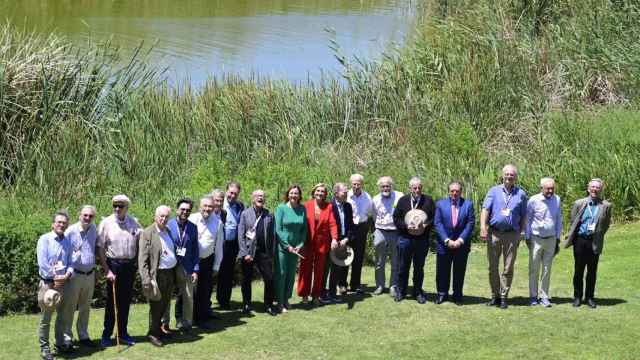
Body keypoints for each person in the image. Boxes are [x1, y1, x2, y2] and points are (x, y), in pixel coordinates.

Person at [480, 164, 528, 309]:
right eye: (507, 174)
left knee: (508, 267)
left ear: (516, 177)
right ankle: (494, 295)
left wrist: (521, 232)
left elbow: (524, 215)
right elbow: (485, 209)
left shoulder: (521, 194)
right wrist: (483, 227)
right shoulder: (493, 191)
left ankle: (503, 297)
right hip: (494, 233)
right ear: (502, 175)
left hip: (512, 235)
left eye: (512, 175)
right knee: (493, 266)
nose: (509, 177)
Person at [97, 194, 142, 346]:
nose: (117, 208)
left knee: (125, 301)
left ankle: (122, 333)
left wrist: (136, 263)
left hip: (129, 266)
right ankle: (106, 335)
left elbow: (141, 242)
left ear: (127, 207)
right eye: (115, 206)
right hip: (113, 265)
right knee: (112, 302)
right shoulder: (106, 223)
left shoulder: (134, 222)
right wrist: (107, 270)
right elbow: (100, 248)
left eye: (120, 206)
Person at [564, 178, 612, 308]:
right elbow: (574, 220)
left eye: (597, 187)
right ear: (588, 188)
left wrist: (598, 234)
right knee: (578, 270)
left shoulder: (606, 206)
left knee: (592, 271)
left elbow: (606, 224)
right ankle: (577, 297)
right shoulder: (579, 203)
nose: (595, 189)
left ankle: (590, 297)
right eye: (593, 187)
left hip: (594, 242)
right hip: (580, 241)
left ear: (600, 189)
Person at [58, 206, 98, 349]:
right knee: (69, 308)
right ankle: (67, 338)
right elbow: (62, 252)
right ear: (79, 215)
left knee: (85, 307)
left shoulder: (94, 229)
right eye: (85, 215)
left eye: (90, 216)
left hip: (90, 274)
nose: (87, 218)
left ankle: (83, 335)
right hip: (74, 275)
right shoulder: (70, 231)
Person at [36, 211, 74, 360]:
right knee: (46, 319)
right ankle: (45, 349)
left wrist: (67, 275)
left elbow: (71, 263)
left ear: (67, 225)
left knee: (62, 317)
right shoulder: (44, 239)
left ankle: (59, 344)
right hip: (48, 284)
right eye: (59, 222)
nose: (61, 225)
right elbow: (43, 264)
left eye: (64, 223)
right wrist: (55, 278)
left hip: (63, 284)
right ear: (53, 224)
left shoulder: (67, 242)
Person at [392, 177, 435, 304]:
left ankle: (418, 292)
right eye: (414, 188)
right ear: (410, 188)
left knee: (419, 267)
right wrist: (406, 226)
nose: (417, 190)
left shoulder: (428, 200)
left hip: (421, 240)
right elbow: (396, 218)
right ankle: (401, 291)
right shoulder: (403, 200)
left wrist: (426, 226)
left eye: (419, 188)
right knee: (402, 267)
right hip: (405, 238)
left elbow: (434, 218)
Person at [139, 206, 176, 347]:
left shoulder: (168, 231)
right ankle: (153, 334)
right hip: (157, 275)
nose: (164, 219)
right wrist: (146, 279)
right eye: (161, 216)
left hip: (169, 272)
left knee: (165, 304)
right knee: (156, 305)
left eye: (166, 217)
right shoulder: (147, 233)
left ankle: (158, 330)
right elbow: (142, 259)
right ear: (155, 216)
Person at [434, 182, 475, 305]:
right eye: (452, 191)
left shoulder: (468, 205)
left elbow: (470, 224)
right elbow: (438, 223)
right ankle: (442, 294)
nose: (454, 193)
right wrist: (447, 240)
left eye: (457, 191)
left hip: (461, 246)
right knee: (442, 271)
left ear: (461, 192)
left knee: (459, 271)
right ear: (449, 191)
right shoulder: (440, 204)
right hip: (444, 244)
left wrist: (460, 240)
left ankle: (457, 295)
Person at [237, 190, 277, 315]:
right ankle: (247, 304)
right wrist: (244, 253)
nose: (260, 198)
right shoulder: (245, 214)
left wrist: (272, 253)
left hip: (264, 253)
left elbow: (272, 235)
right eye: (258, 196)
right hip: (249, 252)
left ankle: (268, 305)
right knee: (246, 279)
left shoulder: (269, 214)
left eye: (262, 196)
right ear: (252, 199)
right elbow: (240, 235)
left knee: (269, 278)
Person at [297, 183, 338, 306]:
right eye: (318, 191)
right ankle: (304, 295)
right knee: (305, 270)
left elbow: (332, 224)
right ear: (314, 192)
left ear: (325, 194)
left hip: (322, 244)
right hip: (307, 242)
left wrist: (334, 239)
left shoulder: (329, 207)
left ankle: (316, 295)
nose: (320, 193)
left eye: (323, 192)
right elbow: (300, 224)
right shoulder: (306, 205)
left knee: (319, 271)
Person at [162, 198, 199, 332]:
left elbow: (195, 250)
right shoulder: (168, 225)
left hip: (187, 267)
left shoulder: (193, 228)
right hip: (170, 267)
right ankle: (164, 323)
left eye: (188, 210)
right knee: (166, 296)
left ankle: (187, 323)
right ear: (177, 210)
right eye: (182, 209)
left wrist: (195, 269)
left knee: (188, 296)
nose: (185, 212)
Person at [525, 177, 562, 307]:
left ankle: (544, 296)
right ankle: (533, 296)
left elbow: (558, 219)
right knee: (534, 269)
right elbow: (528, 219)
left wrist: (558, 238)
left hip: (551, 239)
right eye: (548, 189)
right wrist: (527, 237)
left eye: (552, 188)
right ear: (541, 188)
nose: (550, 191)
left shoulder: (557, 199)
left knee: (547, 269)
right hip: (536, 239)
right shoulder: (533, 200)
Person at [189, 193, 224, 327]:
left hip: (207, 260)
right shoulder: (192, 219)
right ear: (199, 207)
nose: (207, 209)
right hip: (191, 260)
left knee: (204, 291)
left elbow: (219, 246)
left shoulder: (218, 222)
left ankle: (200, 318)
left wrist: (216, 266)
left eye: (210, 206)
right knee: (187, 290)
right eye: (205, 206)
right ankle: (182, 317)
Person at [274, 185, 308, 313]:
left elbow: (304, 229)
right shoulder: (281, 208)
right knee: (281, 273)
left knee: (290, 274)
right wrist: (287, 245)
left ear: (299, 196)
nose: (294, 195)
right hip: (283, 247)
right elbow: (278, 229)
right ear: (288, 194)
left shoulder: (302, 209)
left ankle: (286, 299)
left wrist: (300, 245)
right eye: (291, 193)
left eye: (296, 193)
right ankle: (279, 302)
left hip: (296, 248)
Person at [371, 176, 403, 296]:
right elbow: (374, 215)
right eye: (383, 186)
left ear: (391, 186)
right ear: (380, 187)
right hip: (381, 230)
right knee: (379, 261)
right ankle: (379, 286)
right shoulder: (375, 199)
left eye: (388, 186)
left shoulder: (399, 196)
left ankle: (393, 286)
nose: (385, 188)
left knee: (396, 261)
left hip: (395, 231)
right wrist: (379, 227)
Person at [323, 182, 354, 303]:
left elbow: (351, 226)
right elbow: (326, 226)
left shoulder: (348, 206)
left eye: (346, 191)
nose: (346, 193)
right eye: (344, 191)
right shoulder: (329, 206)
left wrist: (347, 239)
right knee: (326, 268)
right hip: (331, 241)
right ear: (336, 193)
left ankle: (332, 294)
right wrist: (333, 240)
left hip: (343, 241)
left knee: (337, 268)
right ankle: (321, 293)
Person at [217, 182, 245, 309]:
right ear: (226, 191)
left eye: (235, 194)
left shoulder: (240, 206)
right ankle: (206, 302)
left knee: (227, 273)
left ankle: (224, 300)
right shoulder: (218, 204)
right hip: (219, 244)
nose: (233, 196)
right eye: (231, 192)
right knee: (214, 272)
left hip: (232, 245)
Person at [346, 173, 373, 294]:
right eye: (354, 183)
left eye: (358, 184)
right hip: (348, 228)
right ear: (351, 184)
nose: (356, 186)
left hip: (361, 228)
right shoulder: (346, 195)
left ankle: (355, 284)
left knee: (358, 257)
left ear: (362, 184)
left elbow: (370, 212)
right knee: (345, 256)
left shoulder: (367, 197)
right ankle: (342, 284)